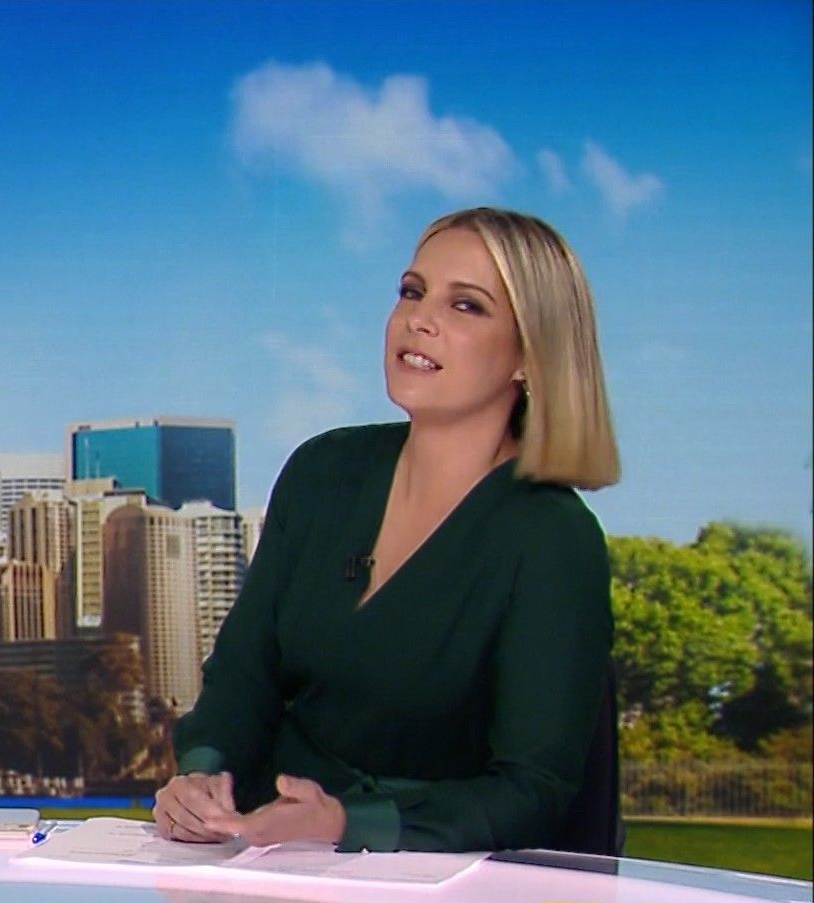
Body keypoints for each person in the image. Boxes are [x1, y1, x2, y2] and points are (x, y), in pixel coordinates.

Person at [154, 207, 619, 853]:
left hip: (426, 880)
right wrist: (201, 775)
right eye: (412, 291)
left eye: (466, 305)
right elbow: (241, 679)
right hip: (255, 853)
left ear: (530, 355)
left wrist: (346, 825)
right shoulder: (323, 470)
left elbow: (533, 790)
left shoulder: (551, 539)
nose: (418, 319)